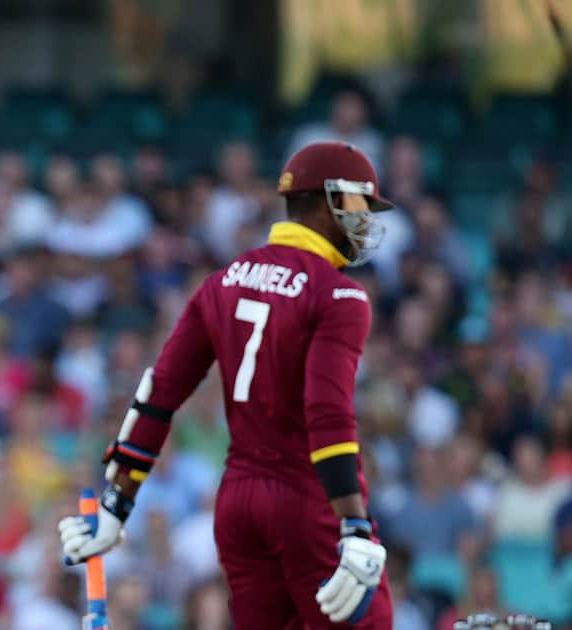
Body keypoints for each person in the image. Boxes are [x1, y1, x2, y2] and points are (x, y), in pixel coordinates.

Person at [60, 142, 396, 628]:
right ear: (330, 203)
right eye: (361, 206)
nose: (366, 223)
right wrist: (355, 523)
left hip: (237, 503)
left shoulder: (224, 280)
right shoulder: (339, 295)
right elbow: (328, 415)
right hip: (306, 500)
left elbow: (158, 394)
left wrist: (117, 501)